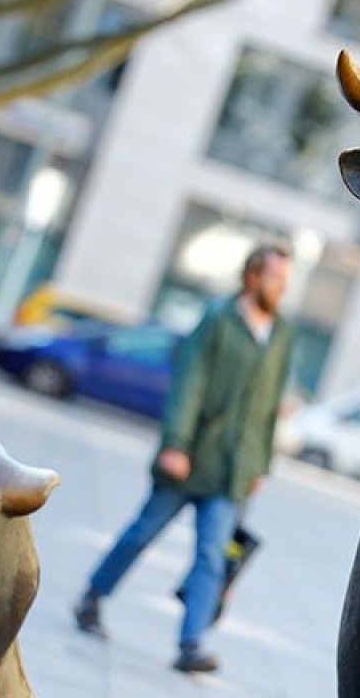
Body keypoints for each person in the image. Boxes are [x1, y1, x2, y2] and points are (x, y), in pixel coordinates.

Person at [73, 244, 295, 673]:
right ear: (252, 277)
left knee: (212, 555)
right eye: (276, 279)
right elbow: (188, 385)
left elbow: (270, 406)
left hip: (234, 471)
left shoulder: (283, 333)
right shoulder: (217, 320)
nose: (282, 288)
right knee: (141, 533)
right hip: (191, 458)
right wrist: (175, 444)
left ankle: (191, 645)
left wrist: (261, 464)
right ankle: (92, 597)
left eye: (286, 281)